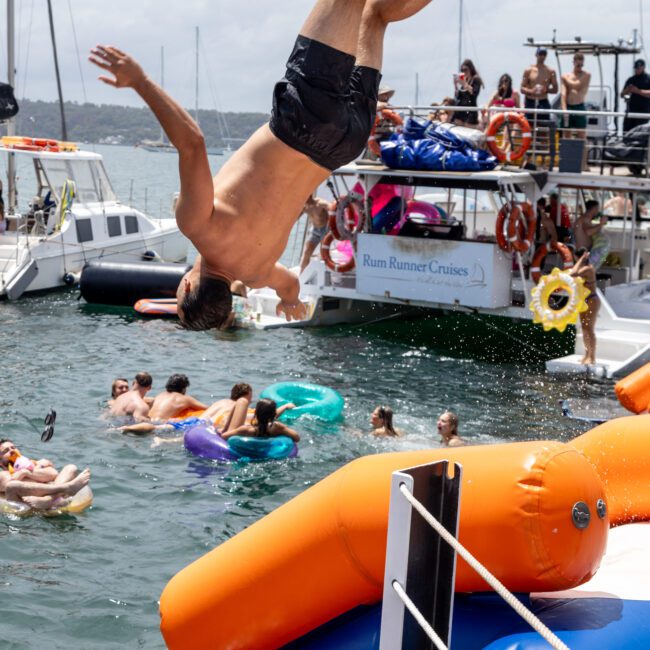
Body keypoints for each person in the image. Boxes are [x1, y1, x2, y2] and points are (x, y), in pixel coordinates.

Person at [90, 0, 431, 331]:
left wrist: (290, 302)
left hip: (344, 146)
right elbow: (192, 143)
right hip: (304, 123)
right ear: (189, 288)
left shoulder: (258, 274)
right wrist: (141, 82)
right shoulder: (196, 226)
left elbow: (290, 285)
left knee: (374, 15)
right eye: (179, 294)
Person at [144, 382, 255, 443]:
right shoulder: (239, 407)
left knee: (159, 427)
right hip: (203, 425)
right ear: (245, 396)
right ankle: (162, 441)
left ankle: (130, 428)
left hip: (194, 420)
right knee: (180, 439)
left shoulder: (222, 401)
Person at [0, 439, 91, 510]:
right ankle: (66, 488)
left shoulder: (34, 464)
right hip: (29, 506)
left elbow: (53, 473)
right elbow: (10, 483)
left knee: (71, 468)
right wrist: (33, 470)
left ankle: (49, 499)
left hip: (46, 501)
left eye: (13, 447)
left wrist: (26, 472)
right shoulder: (3, 474)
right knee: (11, 486)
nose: (12, 451)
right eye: (6, 451)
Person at [569, 248, 600, 365]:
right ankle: (586, 355)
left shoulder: (588, 269)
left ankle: (592, 357)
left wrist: (581, 259)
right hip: (585, 301)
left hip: (592, 300)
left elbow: (573, 273)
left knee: (590, 329)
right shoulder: (584, 269)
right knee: (584, 328)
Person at [222, 398, 300, 442]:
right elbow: (297, 438)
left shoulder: (246, 430)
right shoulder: (277, 428)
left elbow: (224, 436)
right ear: (273, 415)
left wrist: (224, 430)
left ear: (255, 413)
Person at [521, 47, 558, 124]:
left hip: (543, 102)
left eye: (544, 54)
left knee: (543, 127)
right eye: (540, 54)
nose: (542, 56)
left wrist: (546, 90)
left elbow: (555, 89)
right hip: (530, 101)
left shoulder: (550, 71)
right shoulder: (528, 70)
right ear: (536, 55)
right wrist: (531, 91)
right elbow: (522, 88)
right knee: (528, 125)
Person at [560, 53, 591, 139]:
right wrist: (564, 110)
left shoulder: (586, 75)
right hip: (568, 107)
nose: (580, 67)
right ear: (573, 62)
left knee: (582, 136)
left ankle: (585, 153)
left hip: (579, 106)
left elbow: (576, 85)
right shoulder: (566, 76)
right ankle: (566, 152)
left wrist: (565, 80)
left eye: (582, 65)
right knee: (566, 135)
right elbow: (563, 93)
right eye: (578, 65)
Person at [299, 194, 330, 273]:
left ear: (309, 196)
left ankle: (325, 274)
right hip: (315, 231)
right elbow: (295, 218)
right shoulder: (304, 207)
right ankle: (301, 274)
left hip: (325, 230)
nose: (303, 200)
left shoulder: (320, 203)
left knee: (323, 254)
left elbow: (331, 207)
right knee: (307, 252)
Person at [451, 59, 483, 128]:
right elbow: (458, 97)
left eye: (465, 70)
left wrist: (464, 83)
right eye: (462, 70)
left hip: (470, 111)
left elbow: (474, 94)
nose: (464, 72)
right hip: (461, 111)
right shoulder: (465, 81)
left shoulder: (475, 79)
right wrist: (456, 86)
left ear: (471, 69)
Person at [621, 58, 650, 133]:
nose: (636, 70)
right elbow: (622, 94)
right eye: (635, 68)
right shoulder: (631, 79)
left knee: (640, 135)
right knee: (627, 132)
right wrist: (627, 90)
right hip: (631, 111)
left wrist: (638, 91)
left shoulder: (648, 79)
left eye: (638, 68)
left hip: (643, 113)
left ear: (643, 67)